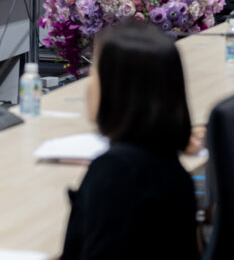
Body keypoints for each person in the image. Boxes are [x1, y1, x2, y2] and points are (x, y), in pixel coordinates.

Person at [62, 24, 198, 260]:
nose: (87, 85)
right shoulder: (165, 161)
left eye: (95, 73)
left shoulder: (115, 173)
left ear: (118, 90)